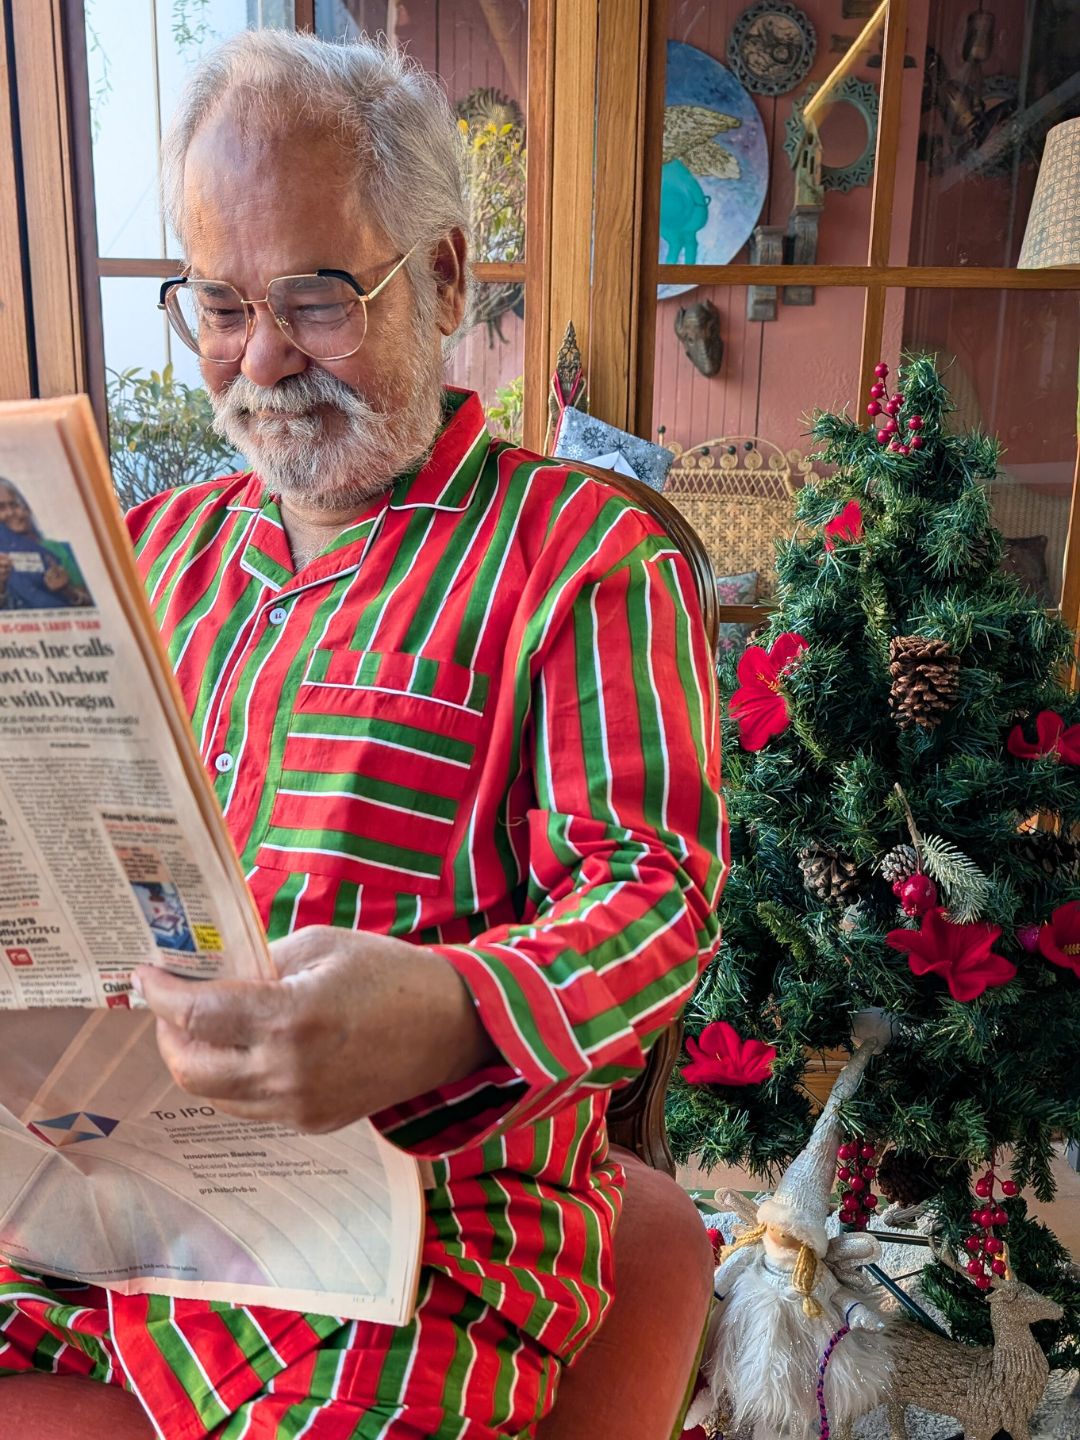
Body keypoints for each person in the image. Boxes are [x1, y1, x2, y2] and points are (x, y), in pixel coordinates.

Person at [0, 29, 726, 1440]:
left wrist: (454, 1008)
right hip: (88, 1184)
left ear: (446, 276)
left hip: (412, 1239)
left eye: (315, 297)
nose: (261, 357)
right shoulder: (142, 553)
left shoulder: (584, 554)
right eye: (216, 303)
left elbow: (657, 899)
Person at [0, 478, 93, 609]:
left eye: (14, 505)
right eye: (1, 508)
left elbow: (91, 603)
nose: (11, 513)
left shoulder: (58, 550)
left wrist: (67, 590)